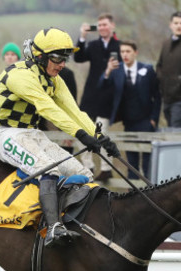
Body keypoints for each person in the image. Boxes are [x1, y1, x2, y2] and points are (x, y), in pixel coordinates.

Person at [0, 27, 120, 247]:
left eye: (64, 58)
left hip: (32, 134)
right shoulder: (19, 75)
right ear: (40, 56)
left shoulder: (54, 79)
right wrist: (81, 136)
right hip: (6, 134)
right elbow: (48, 109)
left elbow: (74, 111)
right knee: (50, 168)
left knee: (83, 173)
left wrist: (100, 136)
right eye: (57, 58)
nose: (62, 64)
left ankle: (76, 222)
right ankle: (52, 228)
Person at [99, 39, 160, 179]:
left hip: (146, 121)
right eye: (122, 52)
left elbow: (157, 96)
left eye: (128, 51)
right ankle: (133, 194)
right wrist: (107, 71)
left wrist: (153, 119)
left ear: (135, 53)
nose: (125, 55)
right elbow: (102, 87)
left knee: (147, 160)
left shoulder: (148, 69)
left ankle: (150, 191)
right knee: (131, 161)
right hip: (128, 122)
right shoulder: (116, 70)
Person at [74, 13, 121, 181]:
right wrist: (82, 36)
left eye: (105, 25)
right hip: (90, 95)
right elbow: (78, 58)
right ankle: (88, 165)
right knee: (81, 130)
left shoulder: (119, 46)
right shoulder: (93, 45)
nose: (102, 28)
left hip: (108, 97)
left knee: (104, 133)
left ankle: (106, 169)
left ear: (112, 26)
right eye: (99, 25)